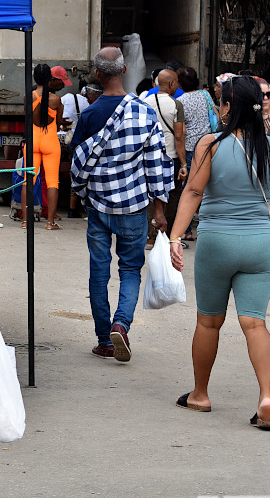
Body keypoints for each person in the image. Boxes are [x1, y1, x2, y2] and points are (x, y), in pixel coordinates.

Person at [169, 75, 270, 430]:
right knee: (255, 323)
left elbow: (193, 193)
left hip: (216, 242)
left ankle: (199, 394)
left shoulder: (210, 144)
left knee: (209, 321)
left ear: (227, 107)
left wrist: (175, 236)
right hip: (260, 244)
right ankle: (266, 397)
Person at [70, 47, 172, 361]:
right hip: (134, 207)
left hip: (98, 207)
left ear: (97, 75)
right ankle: (121, 325)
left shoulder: (88, 114)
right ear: (124, 69)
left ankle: (104, 339)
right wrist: (159, 210)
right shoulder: (143, 112)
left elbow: (76, 164)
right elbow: (156, 162)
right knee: (130, 270)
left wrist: (82, 195)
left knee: (98, 273)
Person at [142, 68, 187, 244]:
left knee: (150, 194)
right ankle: (166, 235)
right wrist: (183, 164)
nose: (177, 85)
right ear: (171, 84)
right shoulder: (176, 105)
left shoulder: (145, 103)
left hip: (149, 157)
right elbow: (178, 136)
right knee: (172, 194)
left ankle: (150, 236)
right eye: (176, 82)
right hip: (170, 157)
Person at [23, 63, 70, 230]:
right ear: (50, 79)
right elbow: (58, 124)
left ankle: (25, 221)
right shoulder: (56, 100)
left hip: (32, 142)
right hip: (50, 142)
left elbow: (28, 120)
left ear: (35, 78)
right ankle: (50, 222)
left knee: (28, 180)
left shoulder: (28, 96)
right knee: (52, 182)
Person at [176, 66, 216, 239]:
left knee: (190, 188)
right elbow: (214, 114)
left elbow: (181, 131)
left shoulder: (180, 101)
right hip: (211, 145)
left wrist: (183, 161)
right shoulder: (205, 95)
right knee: (210, 186)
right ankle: (208, 227)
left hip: (192, 148)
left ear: (179, 83)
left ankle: (186, 230)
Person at [63, 84, 102, 219]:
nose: (86, 98)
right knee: (82, 175)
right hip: (85, 146)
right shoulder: (92, 108)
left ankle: (75, 208)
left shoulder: (91, 109)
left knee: (79, 174)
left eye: (88, 96)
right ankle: (74, 209)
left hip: (81, 145)